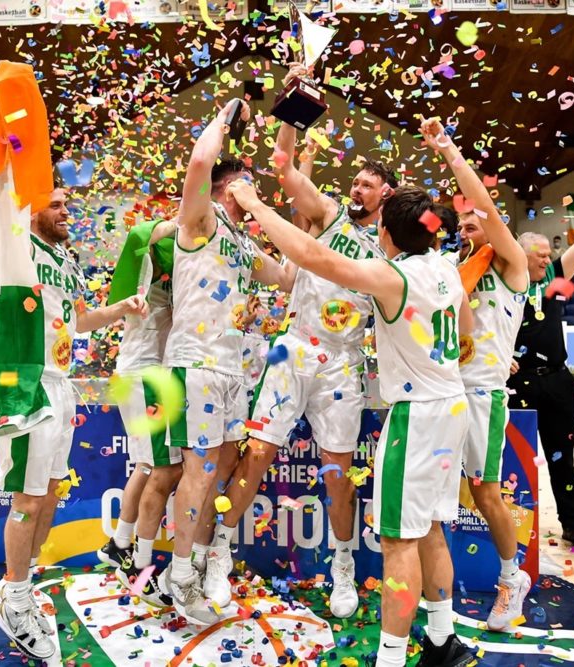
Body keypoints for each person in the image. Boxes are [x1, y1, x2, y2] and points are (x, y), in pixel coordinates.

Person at [226, 177, 475, 667]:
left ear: (386, 231)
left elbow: (314, 258)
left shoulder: (391, 277)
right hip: (453, 405)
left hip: (419, 415)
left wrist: (254, 204)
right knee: (430, 529)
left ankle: (391, 656)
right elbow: (465, 331)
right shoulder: (447, 268)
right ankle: (444, 640)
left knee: (398, 540)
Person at [203, 75, 397, 620]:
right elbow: (285, 169)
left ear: (387, 194)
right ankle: (219, 551)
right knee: (258, 453)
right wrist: (295, 108)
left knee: (338, 470)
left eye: (366, 184)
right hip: (293, 351)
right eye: (353, 181)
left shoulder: (394, 253)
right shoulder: (329, 216)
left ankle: (341, 566)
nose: (355, 189)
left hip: (345, 364)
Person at [0, 189, 149, 660]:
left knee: (52, 488)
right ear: (32, 207)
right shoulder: (17, 243)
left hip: (60, 382)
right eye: (57, 204)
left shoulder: (66, 259)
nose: (67, 212)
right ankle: (15, 599)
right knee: (28, 496)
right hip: (23, 383)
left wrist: (122, 309)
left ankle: (21, 584)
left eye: (67, 205)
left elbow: (79, 321)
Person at [157, 99, 293, 626]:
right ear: (226, 187)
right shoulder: (200, 220)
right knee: (197, 472)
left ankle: (199, 559)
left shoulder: (240, 240)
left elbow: (285, 277)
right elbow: (197, 166)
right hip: (196, 366)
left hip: (233, 371)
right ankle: (182, 577)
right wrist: (223, 116)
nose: (252, 186)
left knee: (219, 470)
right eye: (246, 181)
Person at [422, 118, 532, 632]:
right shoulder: (452, 272)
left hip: (483, 395)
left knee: (486, 493)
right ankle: (435, 594)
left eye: (473, 225)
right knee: (437, 497)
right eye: (460, 228)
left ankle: (513, 578)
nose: (465, 232)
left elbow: (482, 205)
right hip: (441, 393)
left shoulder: (512, 266)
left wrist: (448, 151)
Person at [97, 217, 182, 609]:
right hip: (143, 375)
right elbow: (136, 234)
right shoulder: (143, 271)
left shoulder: (171, 284)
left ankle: (118, 545)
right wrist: (182, 221)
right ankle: (140, 570)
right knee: (164, 469)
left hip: (141, 374)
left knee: (147, 467)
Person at [508, 232, 574, 544]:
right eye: (538, 253)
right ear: (518, 254)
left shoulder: (552, 278)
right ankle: (510, 525)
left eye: (548, 253)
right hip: (515, 382)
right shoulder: (506, 283)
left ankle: (573, 522)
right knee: (512, 457)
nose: (546, 258)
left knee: (561, 456)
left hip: (556, 380)